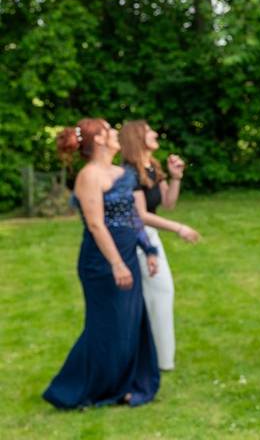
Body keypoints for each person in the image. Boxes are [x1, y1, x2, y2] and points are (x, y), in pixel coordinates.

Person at [44, 118, 161, 409]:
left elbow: (133, 218)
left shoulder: (122, 173)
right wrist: (117, 264)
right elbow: (96, 225)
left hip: (127, 256)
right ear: (98, 140)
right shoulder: (89, 176)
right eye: (110, 130)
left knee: (129, 323)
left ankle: (123, 385)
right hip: (101, 263)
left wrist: (148, 250)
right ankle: (74, 389)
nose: (115, 134)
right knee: (105, 326)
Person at [119, 120, 200, 372]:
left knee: (159, 295)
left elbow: (168, 202)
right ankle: (158, 359)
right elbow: (140, 214)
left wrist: (175, 177)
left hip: (150, 237)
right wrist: (179, 228)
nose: (155, 134)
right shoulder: (129, 173)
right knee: (159, 292)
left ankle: (159, 357)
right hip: (137, 238)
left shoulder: (152, 167)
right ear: (137, 138)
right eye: (149, 131)